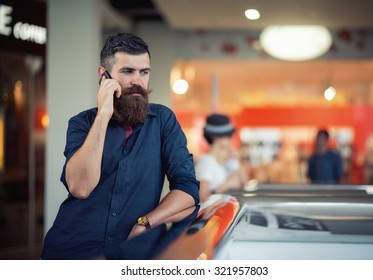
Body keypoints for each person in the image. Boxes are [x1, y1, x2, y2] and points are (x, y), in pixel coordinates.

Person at [41, 33, 199, 259]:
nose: (138, 81)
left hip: (131, 254)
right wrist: (103, 114)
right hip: (72, 252)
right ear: (103, 75)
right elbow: (80, 188)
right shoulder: (82, 123)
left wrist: (146, 223)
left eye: (144, 72)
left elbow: (188, 191)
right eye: (127, 71)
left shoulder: (163, 120)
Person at [195, 114, 247, 202]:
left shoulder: (220, 161)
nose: (231, 139)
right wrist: (227, 185)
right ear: (218, 138)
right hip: (210, 215)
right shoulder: (206, 161)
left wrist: (237, 159)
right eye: (228, 136)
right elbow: (201, 197)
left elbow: (244, 183)